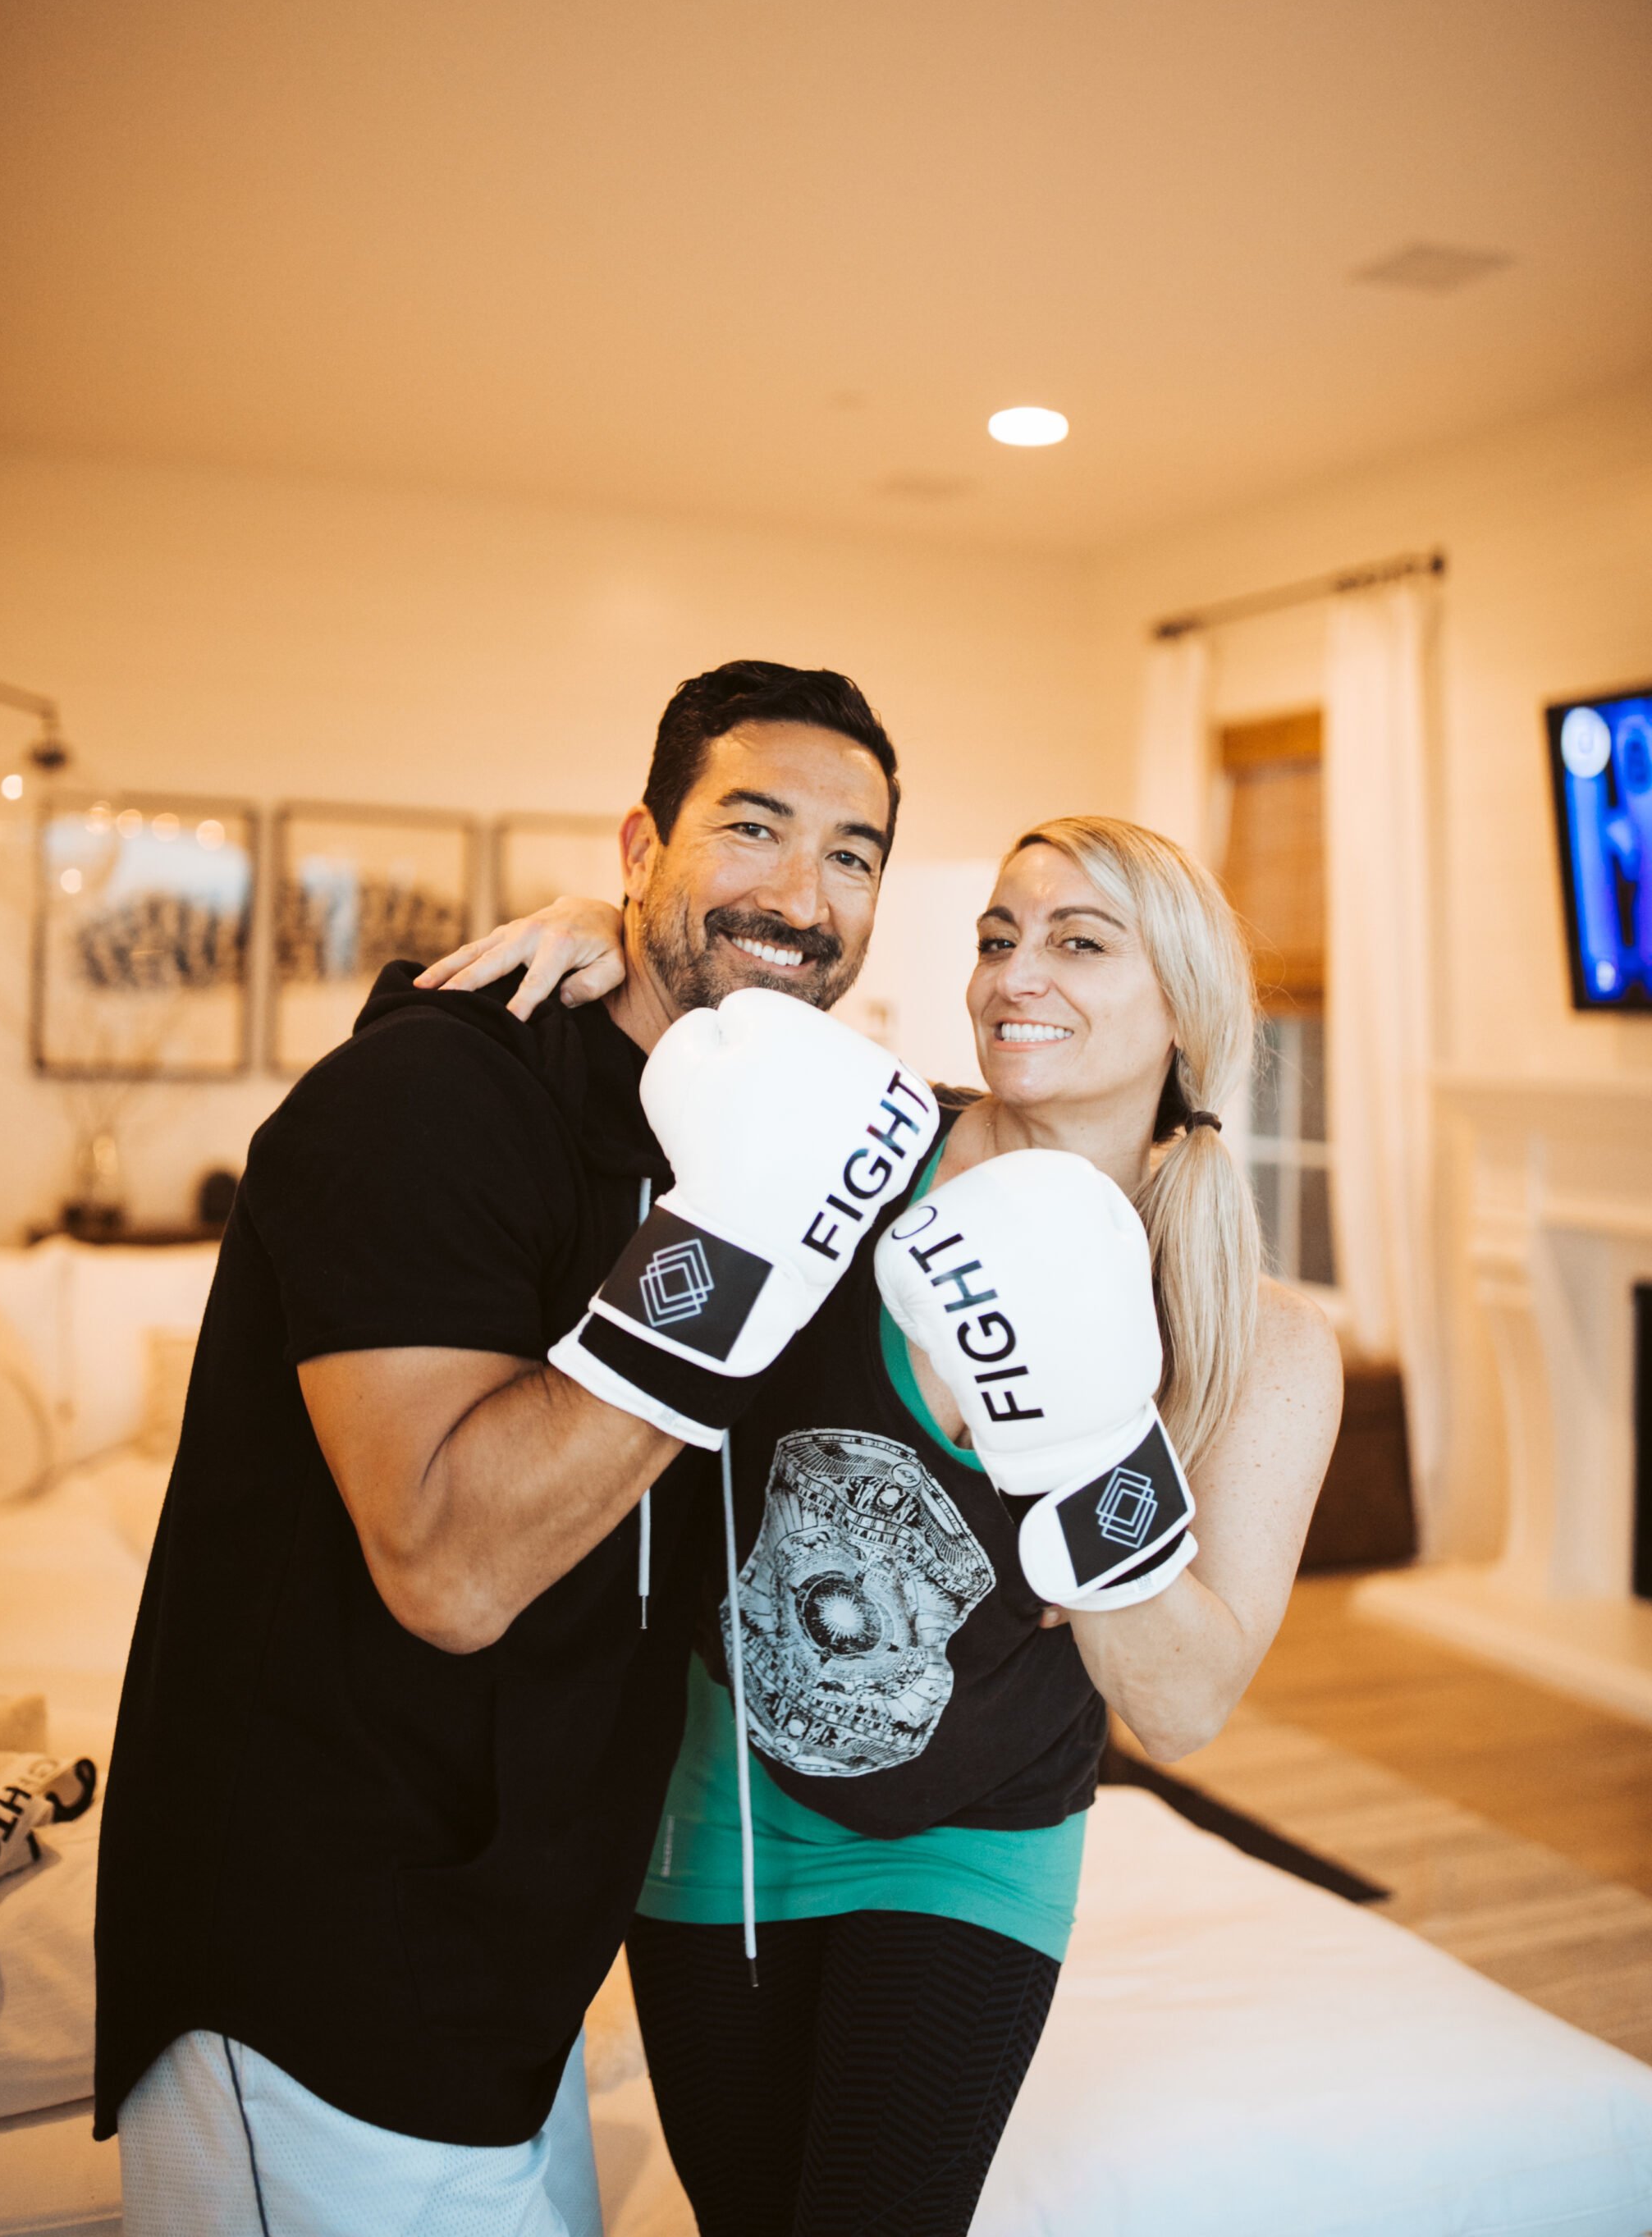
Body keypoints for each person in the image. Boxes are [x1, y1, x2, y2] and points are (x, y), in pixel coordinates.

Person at [96, 659, 936, 2237]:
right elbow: (452, 1567)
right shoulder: (425, 1095)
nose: (802, 894)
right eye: (749, 829)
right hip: (314, 1959)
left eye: (852, 854)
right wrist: (744, 1236)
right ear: (640, 850)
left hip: (523, 1966)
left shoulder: (743, 1126)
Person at [425, 812, 1343, 2237]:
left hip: (973, 1840)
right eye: (997, 936)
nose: (1012, 976)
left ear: (1185, 1004)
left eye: (1079, 943)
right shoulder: (844, 1147)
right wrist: (610, 939)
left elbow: (1183, 1703)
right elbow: (699, 1047)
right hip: (715, 1820)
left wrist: (1089, 1442)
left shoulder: (1261, 1344)